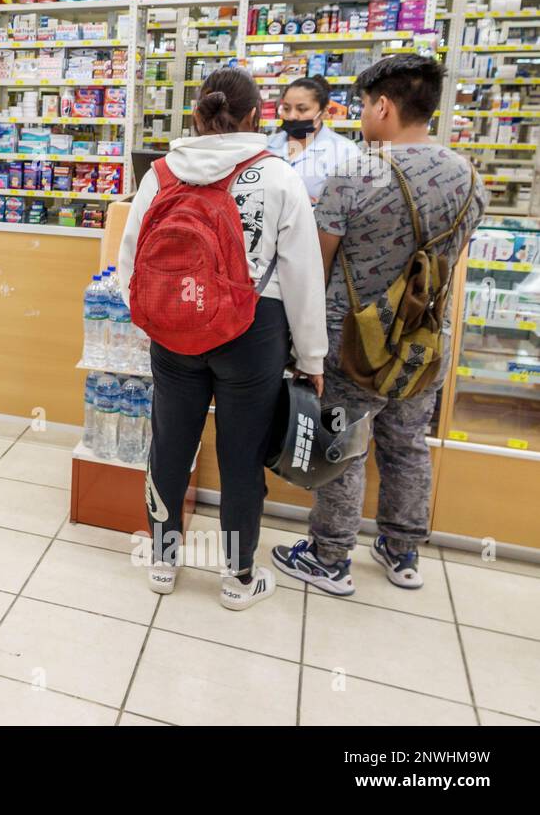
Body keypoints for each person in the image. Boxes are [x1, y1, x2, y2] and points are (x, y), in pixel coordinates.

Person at [273, 55, 486, 594]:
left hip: (354, 341)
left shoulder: (358, 171)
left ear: (383, 106)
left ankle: (330, 557)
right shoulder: (467, 175)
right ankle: (401, 549)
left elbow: (315, 263)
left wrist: (301, 343)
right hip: (424, 339)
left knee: (343, 440)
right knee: (408, 440)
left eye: (366, 105)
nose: (365, 115)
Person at [118, 67, 327, 611]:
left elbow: (129, 263)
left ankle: (163, 562)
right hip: (252, 331)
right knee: (240, 455)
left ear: (196, 116)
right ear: (258, 117)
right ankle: (238, 578)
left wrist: (159, 319)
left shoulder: (161, 174)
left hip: (175, 331)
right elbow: (304, 276)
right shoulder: (278, 176)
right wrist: (313, 356)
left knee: (170, 446)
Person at [266, 74, 360, 202]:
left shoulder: (345, 151)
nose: (292, 116)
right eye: (286, 109)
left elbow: (354, 201)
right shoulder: (267, 145)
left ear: (324, 111)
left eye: (302, 109)